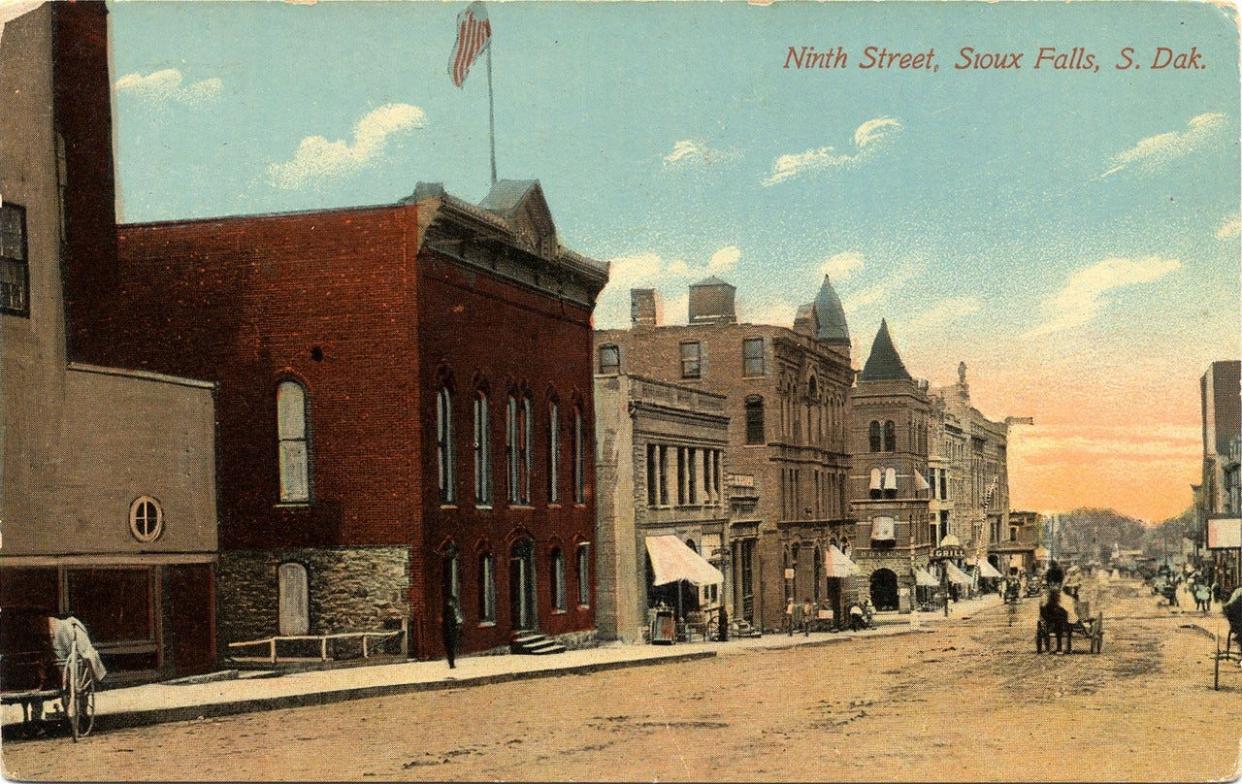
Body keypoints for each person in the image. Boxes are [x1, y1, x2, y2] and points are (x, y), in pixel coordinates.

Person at [442, 594, 463, 669]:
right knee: (451, 648)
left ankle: (451, 662)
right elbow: (453, 620)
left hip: (448, 632)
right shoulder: (450, 610)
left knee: (450, 648)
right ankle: (451, 663)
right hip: (451, 632)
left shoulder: (447, 610)